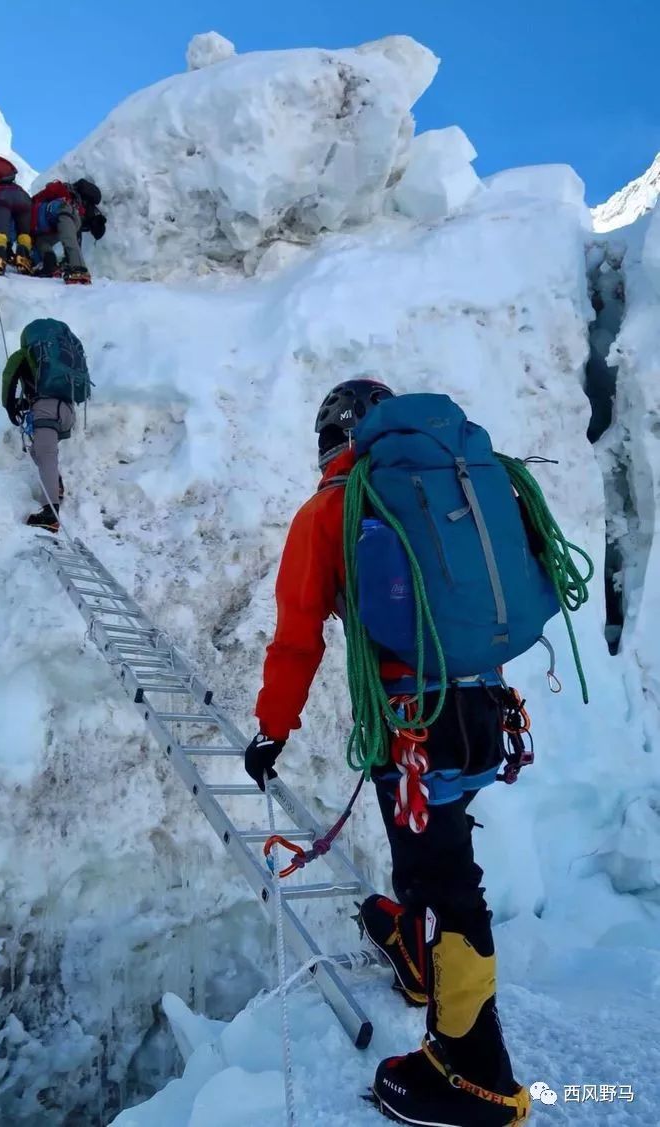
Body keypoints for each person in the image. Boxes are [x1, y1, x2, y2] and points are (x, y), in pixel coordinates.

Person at [245, 379, 531, 1126]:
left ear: (328, 442)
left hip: (412, 725)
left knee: (445, 880)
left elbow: (297, 637)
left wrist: (273, 729)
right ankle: (414, 948)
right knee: (433, 849)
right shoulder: (445, 488)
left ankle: (476, 1075)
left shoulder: (330, 511)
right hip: (483, 710)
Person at [1, 319, 91, 532]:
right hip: (67, 409)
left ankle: (50, 513)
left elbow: (9, 378)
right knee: (41, 452)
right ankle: (55, 485)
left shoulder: (24, 354)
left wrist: (9, 406)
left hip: (46, 409)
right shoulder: (56, 361)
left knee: (45, 453)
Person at [30, 178, 105, 284]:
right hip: (63, 218)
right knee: (43, 242)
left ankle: (79, 268)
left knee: (68, 238)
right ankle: (51, 265)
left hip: (63, 210)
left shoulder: (29, 212)